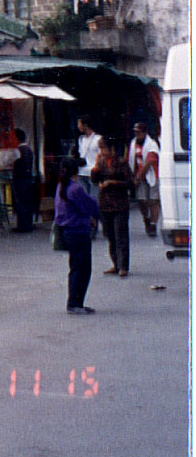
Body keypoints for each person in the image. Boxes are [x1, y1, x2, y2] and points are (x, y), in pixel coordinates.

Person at [54, 156, 100, 314]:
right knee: (83, 268)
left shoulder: (61, 186)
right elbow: (89, 205)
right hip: (79, 231)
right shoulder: (76, 188)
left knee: (75, 267)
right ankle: (75, 304)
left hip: (68, 230)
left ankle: (75, 302)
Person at [91, 137, 134, 277]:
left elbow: (130, 183)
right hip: (105, 204)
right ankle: (115, 263)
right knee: (110, 235)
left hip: (119, 204)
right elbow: (94, 179)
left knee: (121, 235)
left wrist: (113, 182)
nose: (102, 152)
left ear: (112, 149)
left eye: (104, 148)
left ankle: (123, 266)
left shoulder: (121, 163)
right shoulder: (101, 162)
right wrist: (96, 167)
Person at [128, 122, 160, 237]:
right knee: (142, 200)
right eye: (135, 132)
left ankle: (153, 224)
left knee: (153, 200)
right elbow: (131, 160)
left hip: (152, 175)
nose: (137, 134)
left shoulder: (151, 144)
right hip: (138, 176)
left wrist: (138, 177)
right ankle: (146, 218)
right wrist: (133, 176)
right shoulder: (133, 143)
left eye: (139, 132)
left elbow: (149, 162)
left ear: (144, 132)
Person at [10, 129, 36, 233]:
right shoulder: (29, 150)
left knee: (20, 202)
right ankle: (28, 224)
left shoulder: (18, 151)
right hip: (28, 178)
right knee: (27, 202)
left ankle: (22, 225)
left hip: (20, 179)